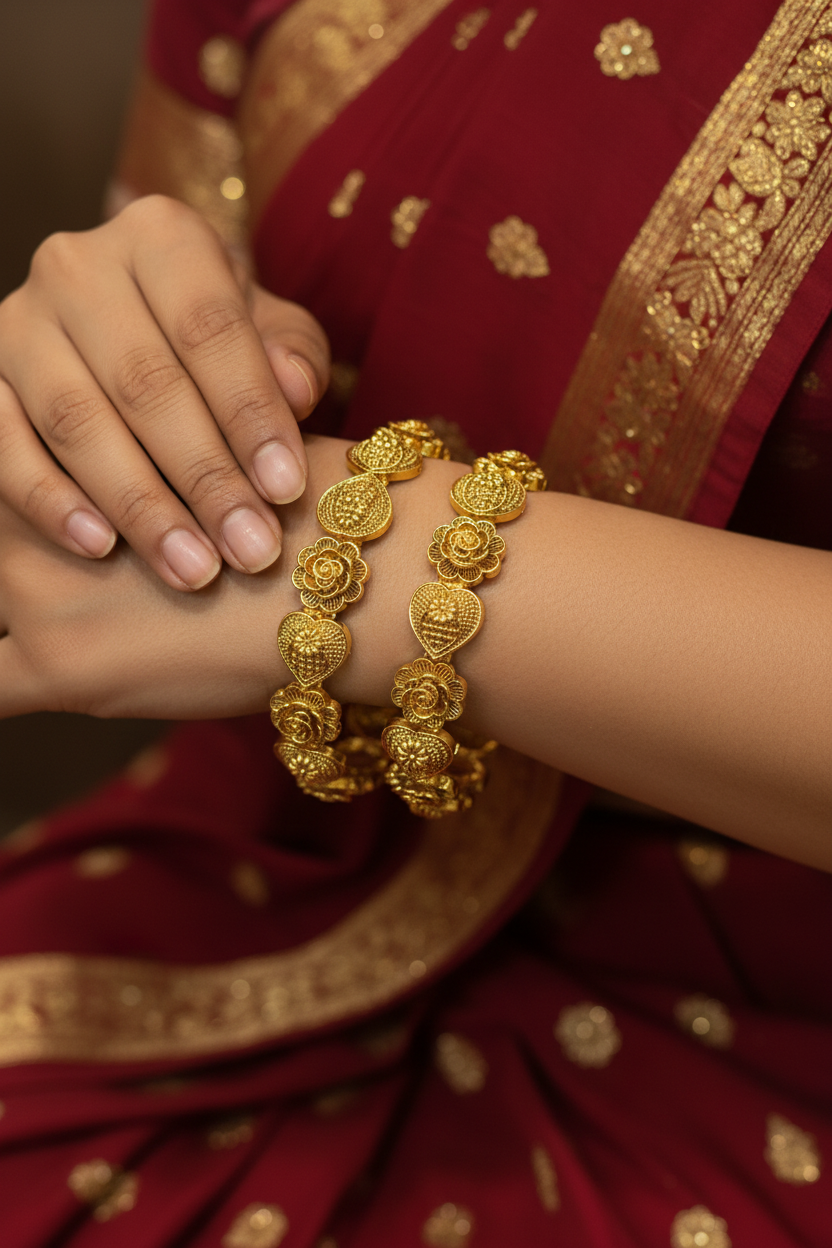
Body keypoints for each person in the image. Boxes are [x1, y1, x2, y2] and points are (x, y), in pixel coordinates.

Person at [0, 0, 829, 1244]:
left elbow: (296, 568)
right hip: (270, 883)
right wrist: (112, 371)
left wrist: (365, 558)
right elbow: (168, 325)